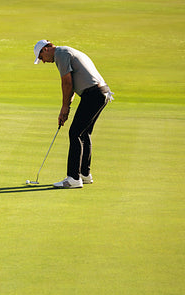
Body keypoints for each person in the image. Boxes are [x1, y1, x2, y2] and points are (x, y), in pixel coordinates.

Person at [33, 39, 113, 189]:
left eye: (41, 57)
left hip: (93, 94)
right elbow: (73, 85)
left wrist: (64, 107)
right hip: (101, 93)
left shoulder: (61, 54)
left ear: (45, 49)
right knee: (83, 133)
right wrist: (66, 108)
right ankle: (84, 174)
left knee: (75, 132)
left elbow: (67, 83)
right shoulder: (66, 51)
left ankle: (73, 178)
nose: (43, 61)